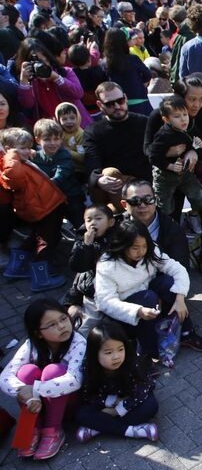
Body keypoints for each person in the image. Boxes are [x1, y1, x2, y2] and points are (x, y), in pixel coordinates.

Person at [143, 76, 202, 279]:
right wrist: (168, 156)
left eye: (201, 99)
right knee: (170, 216)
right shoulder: (159, 116)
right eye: (191, 99)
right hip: (169, 175)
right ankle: (169, 262)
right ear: (179, 96)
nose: (196, 104)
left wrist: (194, 153)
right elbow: (148, 149)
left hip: (199, 172)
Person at [95, 220, 191, 365]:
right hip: (125, 315)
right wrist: (137, 311)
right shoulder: (107, 265)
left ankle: (186, 333)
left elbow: (177, 269)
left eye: (144, 246)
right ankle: (148, 353)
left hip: (150, 303)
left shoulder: (151, 252)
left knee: (168, 283)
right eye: (135, 247)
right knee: (148, 297)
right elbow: (105, 302)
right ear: (122, 245)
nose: (141, 252)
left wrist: (180, 298)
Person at [0, 299, 86, 460]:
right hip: (38, 403)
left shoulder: (79, 342)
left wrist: (35, 389)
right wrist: (22, 390)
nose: (61, 326)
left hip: (71, 402)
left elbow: (74, 380)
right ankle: (32, 429)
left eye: (63, 319)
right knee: (26, 372)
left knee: (54, 370)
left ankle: (53, 430)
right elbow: (5, 376)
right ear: (38, 333)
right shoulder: (31, 345)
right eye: (52, 325)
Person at [0, 129, 67, 292]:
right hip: (43, 207)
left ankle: (16, 267)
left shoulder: (19, 161)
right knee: (48, 241)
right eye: (21, 148)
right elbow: (13, 177)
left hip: (45, 204)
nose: (27, 150)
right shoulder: (10, 163)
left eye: (28, 147)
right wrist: (13, 155)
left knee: (36, 237)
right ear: (8, 148)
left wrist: (19, 154)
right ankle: (41, 279)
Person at [75, 324, 159, 443]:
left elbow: (142, 390)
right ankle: (134, 431)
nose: (116, 357)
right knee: (82, 414)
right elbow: (88, 394)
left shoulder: (132, 362)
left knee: (150, 406)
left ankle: (98, 428)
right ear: (94, 353)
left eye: (120, 349)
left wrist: (117, 410)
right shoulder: (88, 367)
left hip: (130, 398)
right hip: (104, 400)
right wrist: (110, 402)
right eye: (108, 352)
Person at [83, 82, 152, 208]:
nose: (116, 106)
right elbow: (91, 160)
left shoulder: (144, 123)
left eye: (120, 100)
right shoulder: (93, 131)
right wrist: (98, 180)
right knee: (109, 173)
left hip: (145, 182)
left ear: (125, 98)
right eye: (109, 104)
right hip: (115, 186)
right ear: (100, 105)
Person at [148, 95, 202, 217]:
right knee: (165, 209)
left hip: (185, 173)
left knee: (201, 199)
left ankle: (192, 215)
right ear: (166, 119)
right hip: (164, 176)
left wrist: (195, 146)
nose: (183, 119)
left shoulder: (189, 127)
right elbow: (153, 157)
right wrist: (169, 166)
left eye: (185, 115)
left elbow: (193, 143)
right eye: (177, 116)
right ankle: (167, 228)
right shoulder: (163, 135)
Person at [16, 38, 92, 128]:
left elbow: (78, 93)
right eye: (34, 63)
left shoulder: (65, 72)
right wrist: (24, 81)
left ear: (48, 58)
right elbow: (27, 104)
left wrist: (56, 78)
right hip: (53, 133)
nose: (39, 65)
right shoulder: (30, 82)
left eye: (42, 60)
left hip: (78, 127)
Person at [61, 205, 116, 328]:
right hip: (92, 293)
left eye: (98, 218)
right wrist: (86, 245)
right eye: (88, 220)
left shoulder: (118, 239)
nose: (93, 223)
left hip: (113, 289)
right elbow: (78, 267)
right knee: (88, 326)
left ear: (111, 222)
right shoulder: (82, 240)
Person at [31, 119, 84, 228]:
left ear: (61, 139)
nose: (53, 143)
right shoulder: (35, 157)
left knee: (79, 221)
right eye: (47, 139)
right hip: (49, 199)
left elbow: (62, 172)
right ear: (37, 140)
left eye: (56, 139)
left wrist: (48, 184)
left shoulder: (64, 154)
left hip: (69, 196)